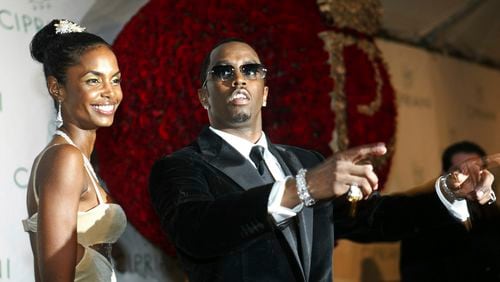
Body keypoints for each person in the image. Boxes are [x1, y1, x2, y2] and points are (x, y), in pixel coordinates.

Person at [148, 39, 495, 282]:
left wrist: (447, 193)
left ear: (265, 93)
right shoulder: (180, 167)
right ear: (203, 96)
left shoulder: (304, 161)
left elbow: (374, 220)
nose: (238, 78)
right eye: (223, 72)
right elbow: (198, 232)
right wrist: (302, 188)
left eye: (251, 69)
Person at [22, 19, 127, 282]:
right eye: (93, 81)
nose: (110, 93)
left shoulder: (77, 159)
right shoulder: (64, 159)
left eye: (115, 80)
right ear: (56, 88)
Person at [400, 141, 500, 281]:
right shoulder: (423, 219)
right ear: (444, 175)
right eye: (461, 171)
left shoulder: (493, 214)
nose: (470, 179)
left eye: (476, 170)